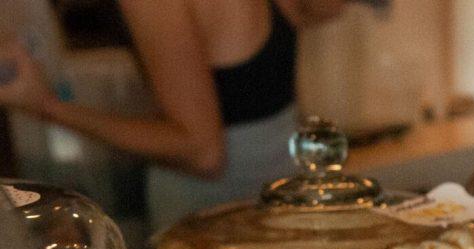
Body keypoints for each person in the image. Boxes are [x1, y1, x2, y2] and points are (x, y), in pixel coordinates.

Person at [0, 0, 346, 229]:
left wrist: (49, 107)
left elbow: (203, 153)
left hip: (211, 232)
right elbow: (320, 9)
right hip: (288, 205)